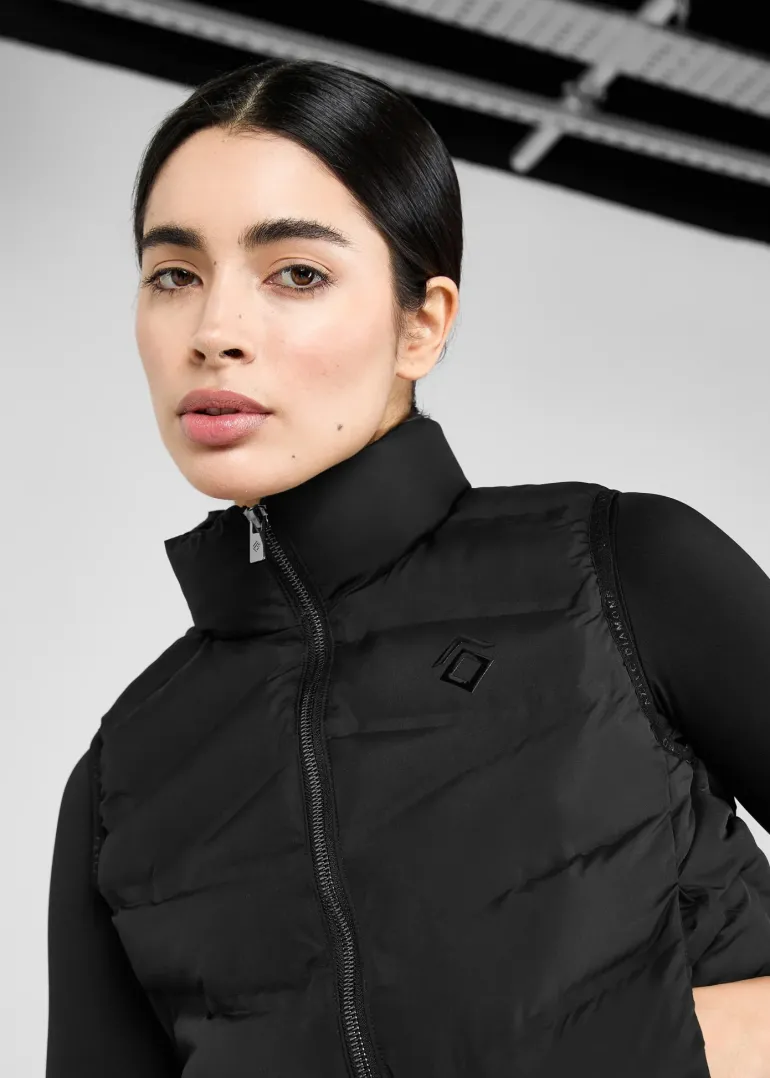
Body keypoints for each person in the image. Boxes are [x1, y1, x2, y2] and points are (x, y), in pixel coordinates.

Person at [46, 58, 770, 1078]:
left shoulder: (623, 572)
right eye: (175, 274)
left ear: (420, 323)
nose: (214, 333)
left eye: (296, 273)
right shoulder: (125, 776)